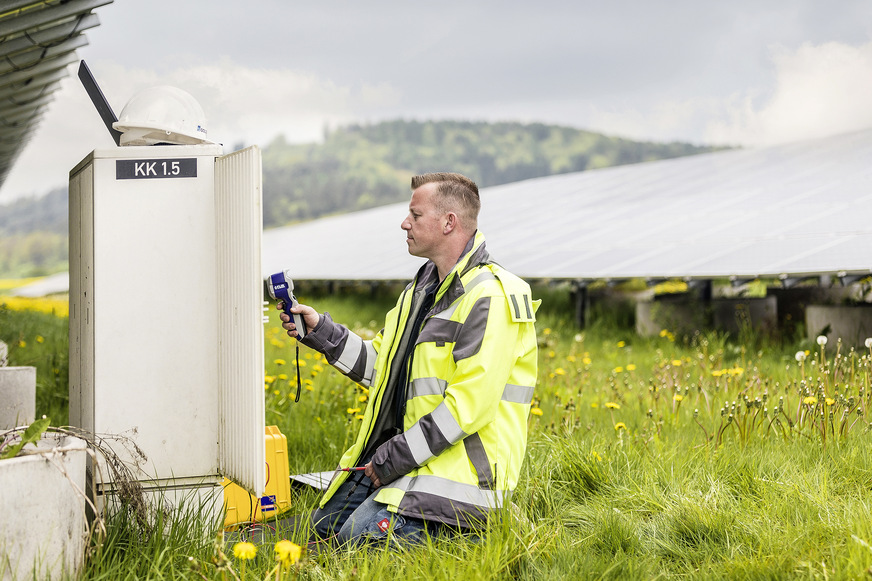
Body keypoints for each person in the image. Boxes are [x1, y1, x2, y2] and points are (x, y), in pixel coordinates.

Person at [279, 172, 540, 546]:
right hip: (415, 463)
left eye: (415, 215)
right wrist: (321, 331)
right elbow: (382, 369)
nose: (405, 223)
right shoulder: (420, 292)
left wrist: (390, 460)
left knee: (355, 541)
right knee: (320, 531)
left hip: (460, 485)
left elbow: (467, 408)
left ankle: (481, 537)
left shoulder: (491, 296)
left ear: (449, 222)